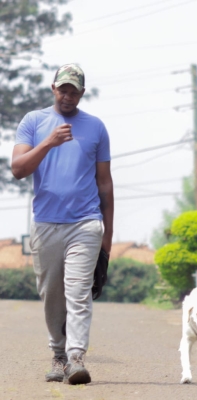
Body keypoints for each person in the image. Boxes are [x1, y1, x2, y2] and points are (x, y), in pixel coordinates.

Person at [11, 63, 114, 385]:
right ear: (53, 89)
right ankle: (58, 354)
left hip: (85, 223)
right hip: (46, 224)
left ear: (82, 94)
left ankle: (76, 356)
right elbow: (18, 169)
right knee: (52, 295)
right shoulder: (33, 122)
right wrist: (48, 143)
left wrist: (108, 236)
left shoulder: (96, 127)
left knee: (79, 292)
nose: (68, 96)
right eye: (63, 90)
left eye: (74, 91)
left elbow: (105, 184)